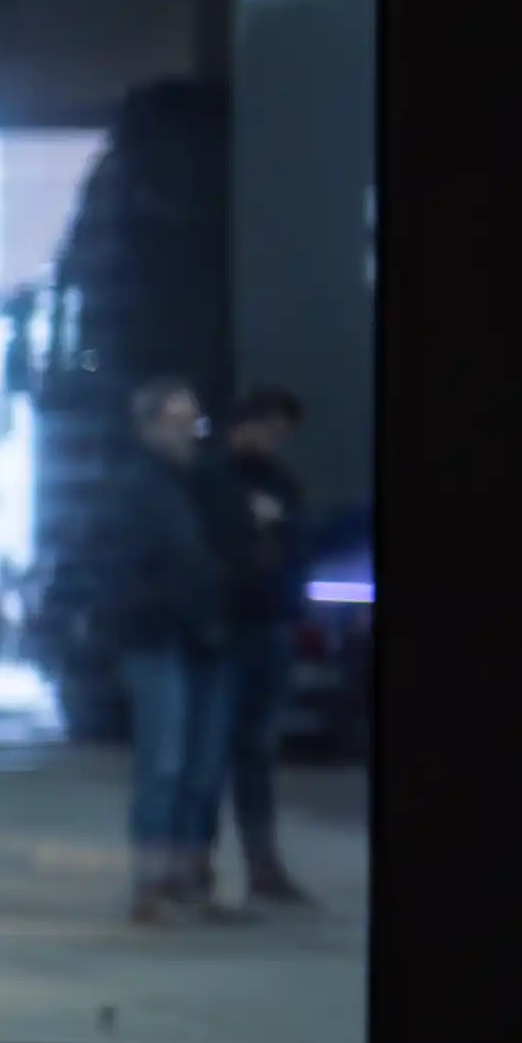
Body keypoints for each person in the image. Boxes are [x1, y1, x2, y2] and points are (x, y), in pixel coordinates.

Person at [90, 376, 242, 925]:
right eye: (176, 420)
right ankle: (152, 885)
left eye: (192, 420)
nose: (188, 432)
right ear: (148, 425)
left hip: (205, 637)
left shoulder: (201, 481)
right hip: (156, 638)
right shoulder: (137, 487)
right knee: (165, 764)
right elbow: (140, 565)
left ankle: (188, 879)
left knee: (201, 768)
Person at [213, 386, 315, 908]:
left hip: (268, 626)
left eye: (282, 434)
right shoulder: (215, 478)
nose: (275, 441)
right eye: (270, 430)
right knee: (211, 753)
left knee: (255, 750)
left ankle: (263, 867)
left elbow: (298, 541)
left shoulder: (279, 480)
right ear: (246, 423)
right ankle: (195, 870)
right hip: (227, 629)